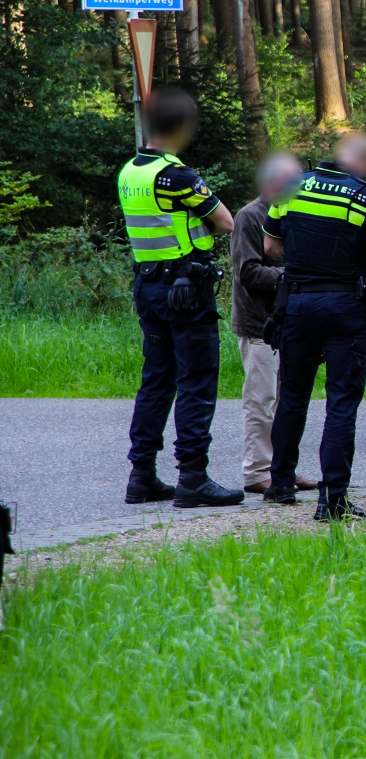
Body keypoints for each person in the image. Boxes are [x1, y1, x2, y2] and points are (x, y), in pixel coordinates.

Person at [117, 87, 243, 509]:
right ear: (183, 127)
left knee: (156, 379)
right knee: (196, 380)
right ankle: (193, 477)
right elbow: (225, 221)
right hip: (186, 288)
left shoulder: (129, 172)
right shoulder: (177, 175)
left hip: (148, 285)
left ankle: (142, 474)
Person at [262, 134, 366, 520]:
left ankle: (280, 484)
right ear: (363, 163)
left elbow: (270, 248)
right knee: (341, 403)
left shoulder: (292, 186)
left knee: (292, 396)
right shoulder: (365, 197)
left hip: (297, 303)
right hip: (344, 307)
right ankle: (333, 500)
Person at [229, 151, 317, 496]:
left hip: (288, 323)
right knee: (261, 401)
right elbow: (247, 271)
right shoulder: (250, 216)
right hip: (258, 324)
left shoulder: (295, 213)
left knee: (287, 402)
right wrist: (292, 277)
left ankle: (283, 469)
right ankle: (257, 472)